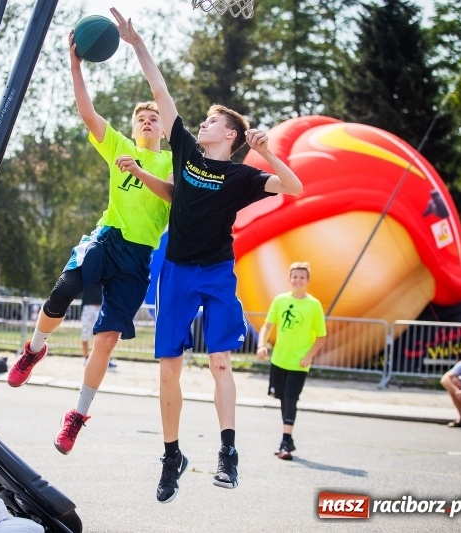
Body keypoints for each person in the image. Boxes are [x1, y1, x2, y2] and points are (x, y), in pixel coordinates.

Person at [111, 8, 303, 501]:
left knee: (220, 361)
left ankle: (228, 451)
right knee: (168, 366)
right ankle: (172, 455)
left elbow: (294, 187)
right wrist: (135, 43)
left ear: (232, 136)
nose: (203, 122)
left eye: (212, 120)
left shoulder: (242, 176)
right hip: (175, 268)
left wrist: (269, 151)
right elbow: (161, 91)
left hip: (216, 272)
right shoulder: (188, 153)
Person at [7, 30, 174, 456]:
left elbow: (172, 196)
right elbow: (87, 112)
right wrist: (76, 64)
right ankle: (34, 349)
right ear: (134, 128)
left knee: (106, 339)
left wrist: (140, 172)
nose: (148, 120)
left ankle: (77, 416)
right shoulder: (118, 145)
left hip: (139, 257)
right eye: (142, 118)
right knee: (63, 290)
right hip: (108, 237)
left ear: (163, 127)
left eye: (154, 117)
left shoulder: (171, 161)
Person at [256, 262, 327, 460]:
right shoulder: (280, 300)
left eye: (302, 277)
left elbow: (321, 336)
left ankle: (286, 440)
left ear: (308, 281)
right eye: (295, 276)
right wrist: (262, 345)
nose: (298, 280)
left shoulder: (314, 305)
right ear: (289, 279)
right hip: (279, 360)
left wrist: (309, 356)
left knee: (290, 399)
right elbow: (267, 326)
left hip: (299, 363)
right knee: (282, 399)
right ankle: (288, 439)